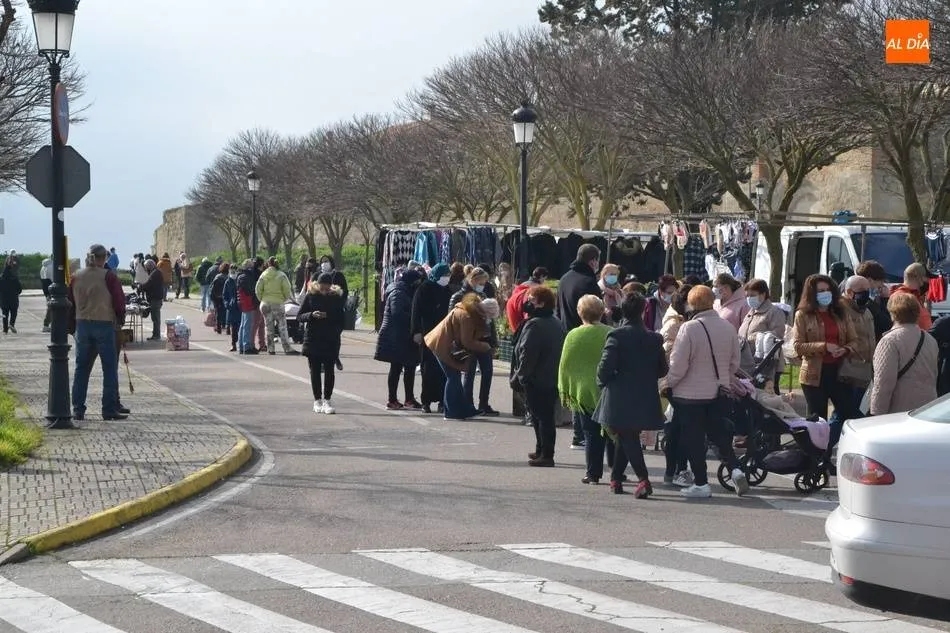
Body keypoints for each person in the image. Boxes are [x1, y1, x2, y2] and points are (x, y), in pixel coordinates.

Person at [666, 285, 748, 498]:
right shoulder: (727, 327)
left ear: (691, 304)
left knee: (693, 439)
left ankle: (701, 483)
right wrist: (722, 378)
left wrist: (666, 383)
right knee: (719, 435)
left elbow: (678, 365)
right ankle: (735, 469)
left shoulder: (689, 328)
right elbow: (734, 363)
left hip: (689, 394)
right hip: (718, 392)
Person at [594, 293, 668, 497]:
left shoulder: (617, 335)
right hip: (644, 392)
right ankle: (616, 478)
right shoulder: (654, 338)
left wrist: (604, 382)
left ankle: (643, 479)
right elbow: (662, 370)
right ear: (644, 311)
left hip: (619, 393)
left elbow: (604, 368)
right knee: (627, 435)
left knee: (626, 435)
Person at [791, 274, 860, 455]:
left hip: (838, 371)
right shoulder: (803, 315)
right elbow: (798, 346)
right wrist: (823, 346)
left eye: (828, 290)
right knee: (818, 421)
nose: (825, 294)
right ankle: (817, 459)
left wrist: (844, 349)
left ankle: (829, 449)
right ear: (812, 294)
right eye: (821, 291)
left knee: (850, 413)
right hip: (814, 374)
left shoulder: (840, 312)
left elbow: (854, 341)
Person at [68, 244, 127, 421]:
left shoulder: (76, 277)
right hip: (104, 323)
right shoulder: (108, 276)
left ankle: (78, 409)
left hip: (82, 324)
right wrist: (120, 318)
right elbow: (119, 302)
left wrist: (72, 326)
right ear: (104, 258)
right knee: (109, 368)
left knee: (81, 369)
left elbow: (70, 302)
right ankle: (108, 409)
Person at [559, 295, 614, 484]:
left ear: (579, 312)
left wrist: (567, 386)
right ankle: (617, 471)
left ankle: (593, 473)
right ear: (601, 311)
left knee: (590, 433)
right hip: (607, 390)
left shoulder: (573, 335)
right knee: (611, 431)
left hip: (582, 392)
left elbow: (565, 365)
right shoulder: (610, 332)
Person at [512, 286, 565, 467]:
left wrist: (521, 376)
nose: (528, 303)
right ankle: (541, 449)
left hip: (537, 378)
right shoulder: (556, 322)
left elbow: (527, 353)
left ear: (542, 303)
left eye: (532, 300)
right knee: (540, 416)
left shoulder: (535, 325)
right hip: (551, 376)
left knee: (543, 417)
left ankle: (547, 454)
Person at [556, 244, 602, 449]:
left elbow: (559, 309)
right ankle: (584, 433)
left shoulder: (564, 279)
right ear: (593, 260)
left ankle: (578, 435)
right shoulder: (589, 282)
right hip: (588, 337)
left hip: (568, 337)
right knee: (590, 387)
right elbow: (596, 312)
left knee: (576, 388)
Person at [424, 293, 493, 420]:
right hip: (441, 345)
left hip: (443, 343)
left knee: (454, 378)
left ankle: (464, 409)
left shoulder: (467, 312)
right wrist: (485, 346)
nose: (489, 320)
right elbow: (467, 341)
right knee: (453, 378)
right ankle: (450, 412)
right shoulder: (467, 317)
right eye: (490, 316)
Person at [870, 292, 938, 415]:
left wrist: (876, 414)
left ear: (892, 313)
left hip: (900, 411)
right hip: (928, 408)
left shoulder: (889, 341)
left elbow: (883, 384)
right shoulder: (930, 339)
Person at [450, 267, 499, 416]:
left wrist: (494, 341)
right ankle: (468, 403)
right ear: (473, 280)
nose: (483, 285)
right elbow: (453, 319)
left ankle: (484, 403)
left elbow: (490, 321)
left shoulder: (483, 295)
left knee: (487, 372)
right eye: (481, 282)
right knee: (469, 373)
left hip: (484, 339)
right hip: (468, 341)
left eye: (485, 282)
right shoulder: (458, 296)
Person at [659, 283, 692, 487]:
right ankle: (675, 469)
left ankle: (678, 469)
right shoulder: (675, 324)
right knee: (676, 430)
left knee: (679, 429)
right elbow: (668, 353)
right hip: (676, 382)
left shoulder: (687, 324)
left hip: (682, 382)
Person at [376, 268, 424, 409]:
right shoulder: (398, 292)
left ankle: (409, 398)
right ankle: (392, 399)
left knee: (410, 367)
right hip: (395, 336)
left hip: (405, 335)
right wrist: (414, 321)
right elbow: (397, 314)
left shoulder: (408, 291)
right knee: (396, 367)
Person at [299, 272, 346, 414]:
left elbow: (342, 320)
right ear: (317, 285)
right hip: (313, 339)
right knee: (315, 370)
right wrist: (312, 315)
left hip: (330, 339)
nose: (324, 290)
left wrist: (330, 319)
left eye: (327, 287)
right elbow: (300, 316)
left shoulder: (336, 298)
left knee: (329, 370)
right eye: (322, 287)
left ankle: (327, 400)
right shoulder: (310, 296)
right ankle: (317, 400)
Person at [411, 264, 452, 413]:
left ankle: (442, 401)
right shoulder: (424, 288)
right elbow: (416, 311)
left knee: (443, 370)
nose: (447, 278)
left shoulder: (447, 290)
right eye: (445, 274)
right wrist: (416, 331)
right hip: (427, 333)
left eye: (448, 275)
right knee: (427, 369)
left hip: (444, 334)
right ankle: (426, 401)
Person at [835, 276, 877, 420]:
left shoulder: (865, 310)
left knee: (856, 415)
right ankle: (826, 441)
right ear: (848, 291)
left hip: (865, 372)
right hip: (848, 373)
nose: (866, 293)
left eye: (867, 290)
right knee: (843, 416)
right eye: (861, 291)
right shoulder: (839, 310)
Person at [737, 278, 787, 389]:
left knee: (768, 396)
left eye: (752, 295)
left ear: (763, 294)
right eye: (747, 296)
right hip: (748, 364)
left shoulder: (774, 312)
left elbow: (777, 335)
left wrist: (754, 337)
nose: (749, 299)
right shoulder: (751, 312)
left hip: (766, 365)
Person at [255, 257, 297, 355]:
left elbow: (257, 289)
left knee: (268, 327)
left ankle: (271, 348)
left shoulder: (263, 275)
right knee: (282, 326)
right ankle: (287, 348)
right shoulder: (281, 275)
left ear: (268, 264)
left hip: (265, 303)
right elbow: (287, 289)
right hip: (278, 303)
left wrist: (262, 299)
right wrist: (284, 299)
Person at [855, 260, 892, 340]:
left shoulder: (866, 298)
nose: (882, 285)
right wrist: (885, 299)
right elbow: (887, 325)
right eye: (880, 282)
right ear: (869, 280)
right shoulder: (865, 302)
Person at [891, 262, 932, 330]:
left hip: (922, 337)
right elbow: (905, 325)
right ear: (917, 276)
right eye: (925, 276)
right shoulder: (901, 296)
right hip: (914, 338)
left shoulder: (915, 294)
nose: (927, 280)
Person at [506, 267, 547, 333]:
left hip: (513, 309)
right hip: (524, 315)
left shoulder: (522, 284)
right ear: (542, 276)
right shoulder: (536, 290)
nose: (544, 282)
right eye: (544, 279)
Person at [236, 260, 259, 355]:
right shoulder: (248, 277)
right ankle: (247, 346)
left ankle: (241, 345)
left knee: (243, 325)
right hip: (248, 302)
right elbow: (252, 290)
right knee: (247, 325)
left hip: (242, 302)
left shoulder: (240, 276)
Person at [140, 259, 165, 341]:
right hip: (155, 298)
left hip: (155, 298)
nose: (146, 269)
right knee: (155, 318)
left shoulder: (155, 273)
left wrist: (141, 287)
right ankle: (155, 334)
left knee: (156, 318)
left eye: (146, 267)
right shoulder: (155, 272)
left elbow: (148, 284)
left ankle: (156, 335)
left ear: (150, 266)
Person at [222, 264, 242, 352]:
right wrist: (227, 304)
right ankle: (233, 344)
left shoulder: (240, 280)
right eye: (231, 271)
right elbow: (225, 295)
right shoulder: (228, 282)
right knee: (233, 328)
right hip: (231, 308)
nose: (233, 273)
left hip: (240, 307)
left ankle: (241, 343)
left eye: (234, 271)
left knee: (241, 327)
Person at [0, 255, 22, 334]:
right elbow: (19, 289)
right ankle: (11, 324)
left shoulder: (1, 277)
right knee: (14, 312)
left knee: (4, 314)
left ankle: (5, 329)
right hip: (13, 298)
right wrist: (17, 293)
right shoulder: (14, 278)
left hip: (3, 299)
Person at [210, 263, 230, 336]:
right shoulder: (228, 278)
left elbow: (212, 288)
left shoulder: (217, 277)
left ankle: (218, 327)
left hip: (216, 296)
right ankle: (225, 325)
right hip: (224, 297)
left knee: (218, 311)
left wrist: (212, 297)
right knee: (225, 311)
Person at [40, 256, 52, 332]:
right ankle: (46, 325)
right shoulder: (52, 266)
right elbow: (54, 278)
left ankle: (46, 325)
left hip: (46, 289)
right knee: (51, 308)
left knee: (50, 307)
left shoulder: (43, 267)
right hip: (52, 289)